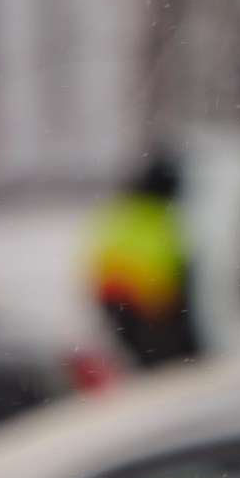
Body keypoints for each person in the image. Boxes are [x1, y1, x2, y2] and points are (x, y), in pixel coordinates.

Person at [86, 156, 199, 369]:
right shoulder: (159, 217)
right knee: (166, 364)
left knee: (148, 364)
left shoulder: (121, 212)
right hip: (149, 308)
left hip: (116, 301)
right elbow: (166, 270)